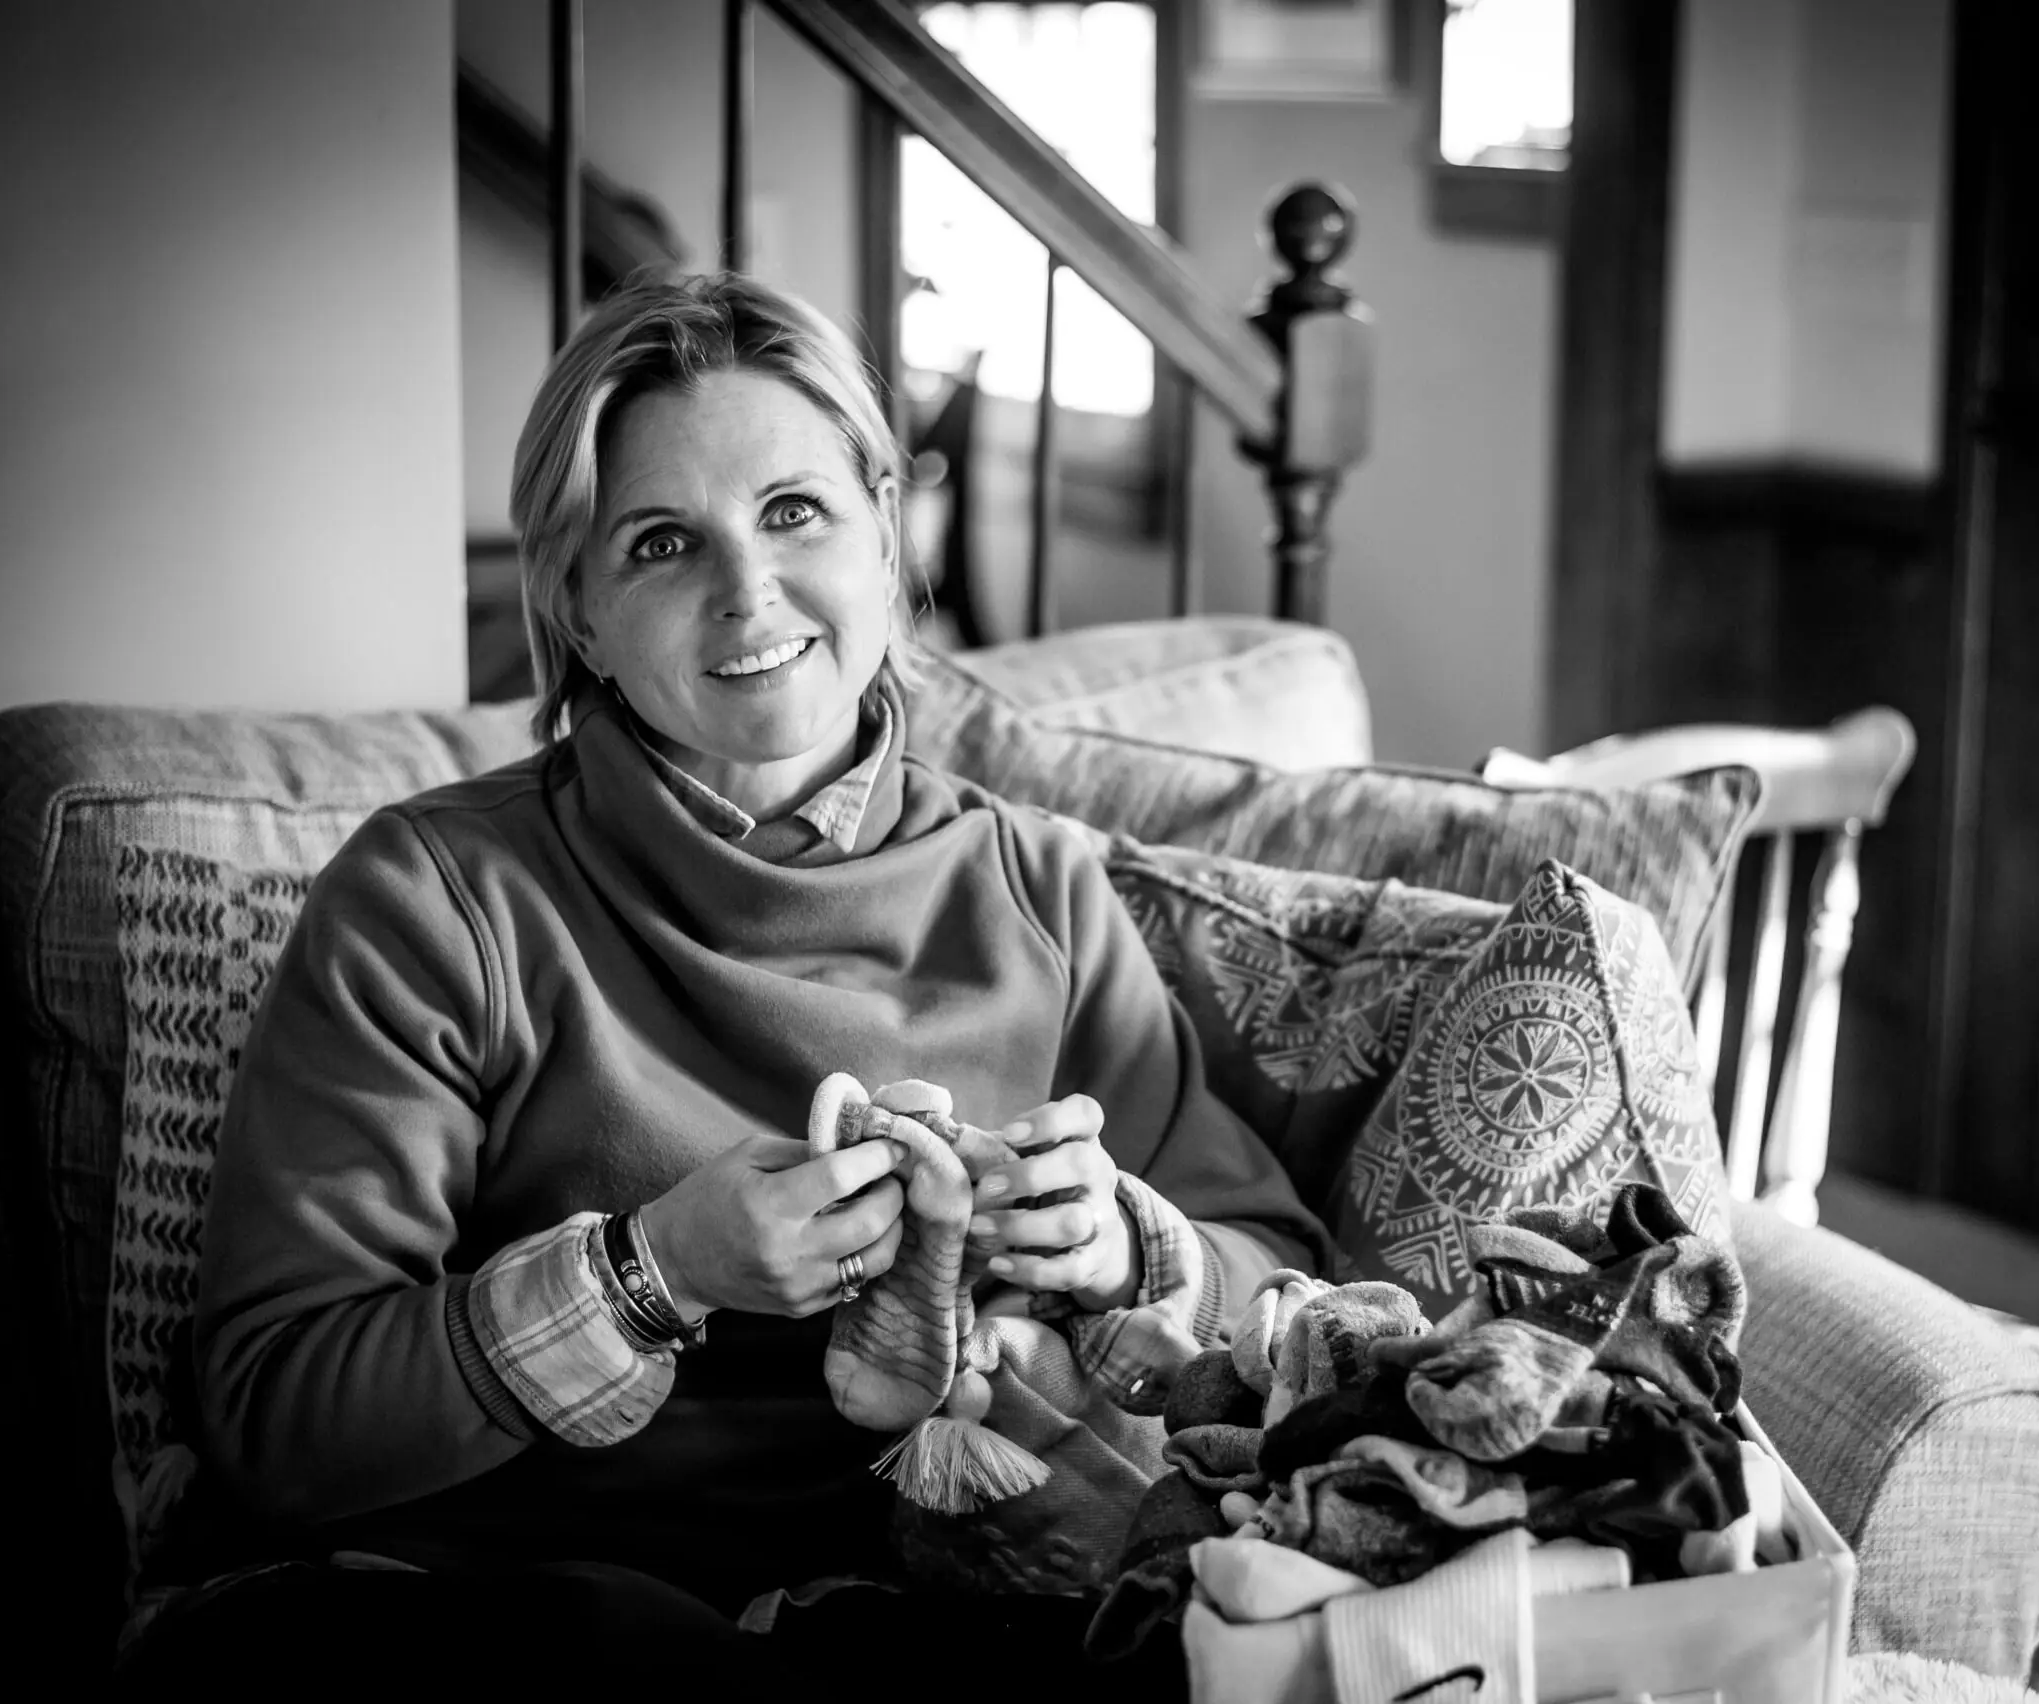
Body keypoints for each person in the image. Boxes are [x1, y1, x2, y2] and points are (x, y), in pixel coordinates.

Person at [132, 273, 1329, 1690]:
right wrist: (652, 1275)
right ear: (577, 612)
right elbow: (279, 1416)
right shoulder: (435, 901)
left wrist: (1128, 1248)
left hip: (925, 1603)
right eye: (658, 544)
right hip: (479, 1611)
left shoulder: (1042, 891)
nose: (746, 593)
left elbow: (1284, 1289)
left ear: (886, 531)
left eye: (795, 512)